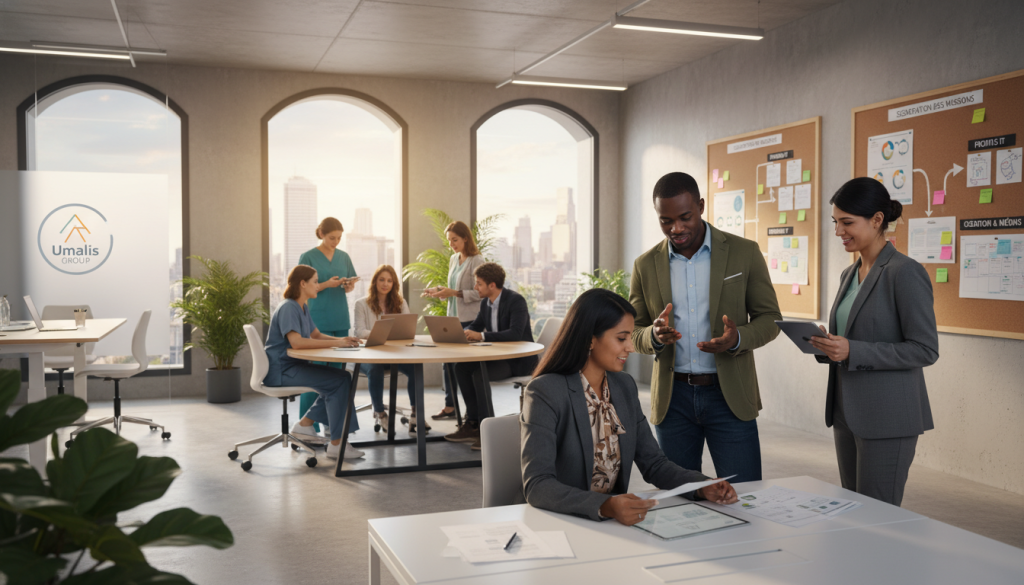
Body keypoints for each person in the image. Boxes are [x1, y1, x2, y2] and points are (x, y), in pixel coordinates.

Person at [519, 288, 738, 524]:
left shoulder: (623, 386)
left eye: (631, 338)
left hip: (613, 523)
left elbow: (654, 464)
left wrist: (702, 486)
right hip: (564, 522)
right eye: (621, 338)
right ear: (590, 339)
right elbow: (538, 485)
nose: (631, 348)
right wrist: (606, 505)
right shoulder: (544, 391)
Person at [629, 172, 781, 484]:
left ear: (700, 205)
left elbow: (770, 319)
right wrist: (654, 336)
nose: (677, 228)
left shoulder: (744, 252)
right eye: (666, 221)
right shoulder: (645, 265)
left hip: (729, 397)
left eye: (685, 217)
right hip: (674, 400)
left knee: (746, 495)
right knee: (679, 501)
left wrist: (737, 337)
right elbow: (632, 332)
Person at [808, 177, 938, 506]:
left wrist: (854, 350)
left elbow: (925, 349)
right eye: (836, 222)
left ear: (877, 220)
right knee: (854, 511)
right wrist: (828, 347)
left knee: (878, 515)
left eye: (847, 223)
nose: (839, 231)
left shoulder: (904, 272)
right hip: (845, 411)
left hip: (887, 416)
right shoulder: (848, 274)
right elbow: (850, 338)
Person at [264, 265, 364, 460]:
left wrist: (342, 340)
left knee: (342, 378)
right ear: (303, 283)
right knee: (339, 381)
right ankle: (336, 443)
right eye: (315, 281)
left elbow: (315, 335)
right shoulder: (288, 307)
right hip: (282, 371)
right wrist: (339, 344)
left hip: (292, 366)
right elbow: (297, 342)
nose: (318, 286)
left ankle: (306, 424)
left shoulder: (301, 307)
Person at [444, 262, 537, 450]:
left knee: (480, 374)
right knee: (460, 368)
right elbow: (476, 326)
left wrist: (482, 336)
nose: (475, 288)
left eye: (478, 284)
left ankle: (488, 431)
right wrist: (461, 333)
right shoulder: (486, 303)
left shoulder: (515, 301)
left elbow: (516, 334)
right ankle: (472, 423)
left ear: (492, 285)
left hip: (518, 360)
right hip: (498, 358)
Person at [295, 217, 359, 434]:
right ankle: (306, 426)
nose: (336, 242)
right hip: (317, 321)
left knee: (337, 377)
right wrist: (325, 284)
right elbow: (301, 288)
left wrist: (347, 285)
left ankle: (333, 426)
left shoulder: (344, 256)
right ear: (321, 233)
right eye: (332, 237)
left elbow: (347, 287)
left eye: (339, 238)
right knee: (315, 376)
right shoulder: (308, 256)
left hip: (340, 318)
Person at [353, 264, 430, 435]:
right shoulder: (361, 304)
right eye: (381, 280)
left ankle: (416, 414)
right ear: (375, 282)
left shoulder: (400, 303)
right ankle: (380, 413)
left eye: (389, 280)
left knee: (416, 368)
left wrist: (386, 335)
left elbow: (408, 329)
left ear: (394, 283)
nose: (385, 284)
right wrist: (387, 333)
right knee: (375, 368)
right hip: (369, 354)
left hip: (394, 354)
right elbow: (359, 332)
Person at [422, 220, 486, 421]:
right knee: (447, 363)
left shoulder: (477, 261)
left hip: (470, 320)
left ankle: (473, 413)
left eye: (455, 239)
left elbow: (481, 293)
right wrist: (440, 291)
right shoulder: (453, 259)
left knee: (465, 366)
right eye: (449, 240)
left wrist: (455, 293)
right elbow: (452, 288)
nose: (451, 244)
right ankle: (450, 406)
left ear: (465, 238)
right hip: (453, 318)